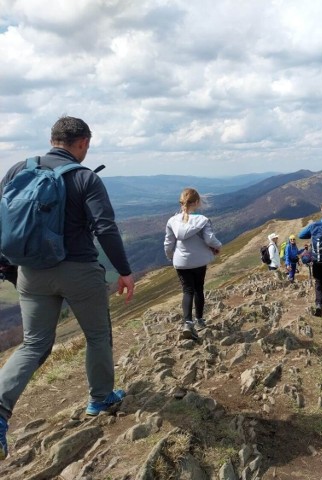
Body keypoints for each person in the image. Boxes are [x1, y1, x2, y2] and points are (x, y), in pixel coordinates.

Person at [0, 116, 135, 460]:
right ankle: (101, 398)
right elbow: (105, 227)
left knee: (34, 344)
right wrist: (124, 271)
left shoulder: (18, 170)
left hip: (31, 272)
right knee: (97, 335)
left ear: (53, 139)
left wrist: (9, 266)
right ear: (84, 143)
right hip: (79, 270)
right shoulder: (84, 177)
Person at [164, 188, 222, 339]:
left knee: (187, 290)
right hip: (199, 261)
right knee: (198, 289)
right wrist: (218, 246)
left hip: (181, 262)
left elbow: (168, 243)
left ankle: (187, 323)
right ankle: (200, 320)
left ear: (181, 202)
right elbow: (209, 240)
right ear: (196, 202)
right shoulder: (203, 220)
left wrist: (171, 256)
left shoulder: (172, 221)